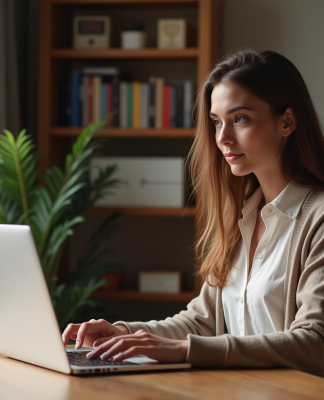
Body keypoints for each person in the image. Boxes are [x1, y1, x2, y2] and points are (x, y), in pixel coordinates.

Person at [62, 48, 324, 377]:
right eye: (216, 122)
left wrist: (184, 350)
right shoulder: (242, 215)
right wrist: (125, 333)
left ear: (286, 121)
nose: (223, 138)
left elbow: (316, 342)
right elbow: (202, 321)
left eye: (240, 119)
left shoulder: (318, 219)